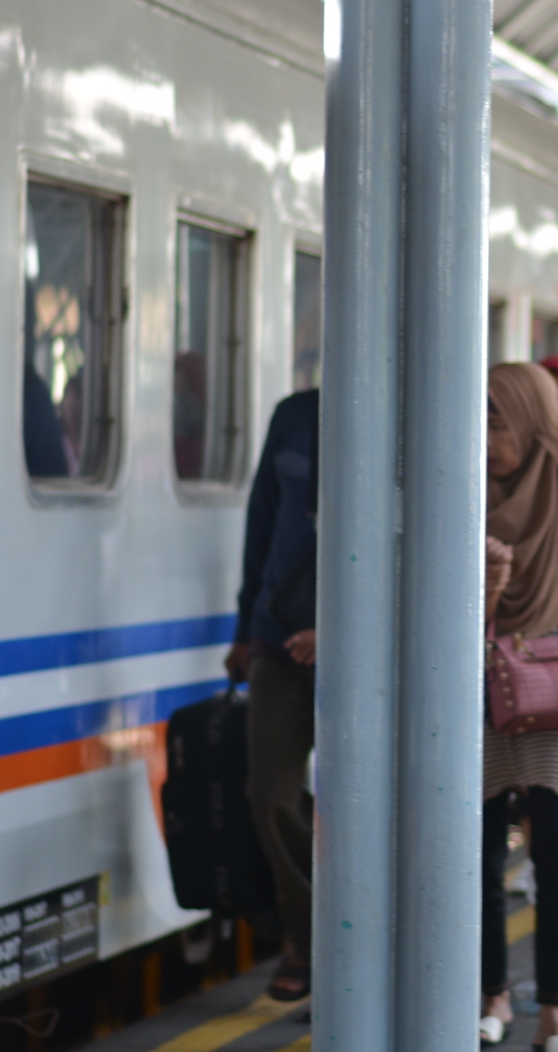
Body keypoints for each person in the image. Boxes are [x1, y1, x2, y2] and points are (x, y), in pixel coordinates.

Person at [476, 362, 558, 1052]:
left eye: (501, 422)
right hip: (486, 687)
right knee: (484, 848)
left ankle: (554, 1014)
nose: (489, 439)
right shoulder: (459, 493)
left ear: (534, 420)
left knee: (554, 844)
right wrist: (488, 588)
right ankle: (493, 997)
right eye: (482, 421)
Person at [223, 386, 320, 1002]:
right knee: (272, 793)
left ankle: (357, 943)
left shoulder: (415, 409)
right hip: (277, 639)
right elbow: (262, 523)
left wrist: (341, 625)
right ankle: (309, 938)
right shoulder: (294, 414)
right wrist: (242, 629)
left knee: (371, 806)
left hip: (375, 649)